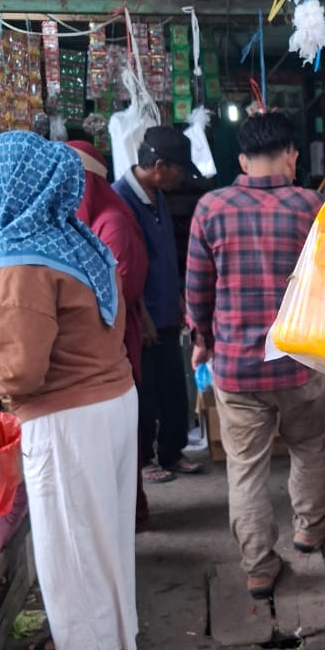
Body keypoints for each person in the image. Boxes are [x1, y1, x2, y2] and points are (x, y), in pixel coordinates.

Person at [0, 131, 138, 650]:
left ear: (17, 187)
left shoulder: (25, 260)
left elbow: (21, 371)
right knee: (102, 541)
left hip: (69, 418)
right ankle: (106, 644)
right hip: (109, 402)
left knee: (71, 548)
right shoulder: (74, 241)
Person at [186, 111, 325, 600]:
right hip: (299, 361)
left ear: (244, 161)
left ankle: (259, 567)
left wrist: (201, 338)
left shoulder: (210, 207)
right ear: (291, 155)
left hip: (236, 366)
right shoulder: (311, 205)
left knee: (245, 466)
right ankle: (310, 528)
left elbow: (198, 288)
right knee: (309, 447)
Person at [71, 140, 152, 529]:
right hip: (99, 344)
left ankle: (131, 512)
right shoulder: (91, 222)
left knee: (120, 437)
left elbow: (119, 294)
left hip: (114, 341)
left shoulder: (113, 224)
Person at [115, 127, 203, 483]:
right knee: (144, 395)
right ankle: (146, 457)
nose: (180, 177)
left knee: (173, 390)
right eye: (178, 170)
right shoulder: (121, 200)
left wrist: (180, 294)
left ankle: (171, 450)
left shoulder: (157, 196)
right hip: (143, 318)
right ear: (159, 166)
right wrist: (143, 314)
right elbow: (125, 267)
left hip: (167, 311)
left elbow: (164, 254)